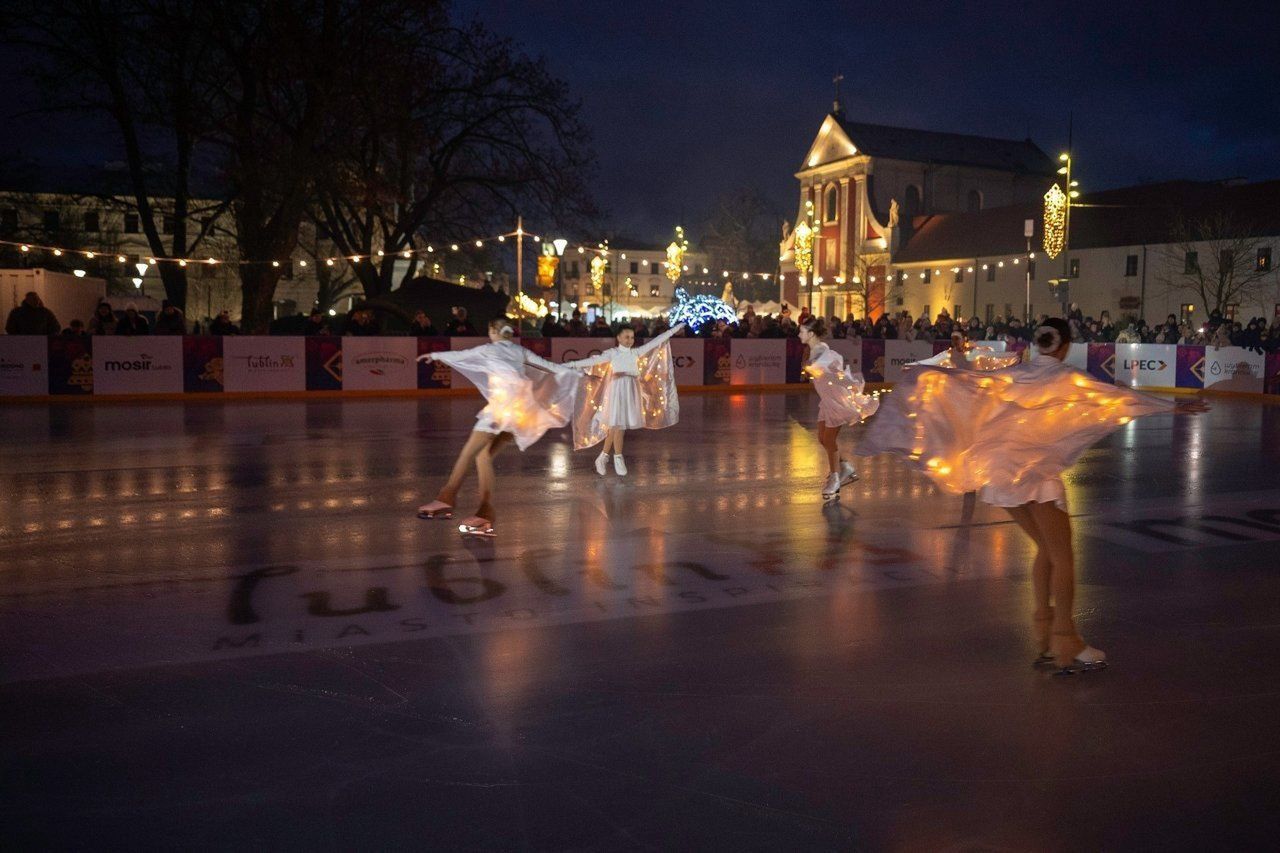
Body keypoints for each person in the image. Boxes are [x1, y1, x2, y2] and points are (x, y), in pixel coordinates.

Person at [858, 317, 1208, 673]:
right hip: (1034, 474)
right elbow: (1115, 398)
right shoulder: (1065, 377)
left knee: (1045, 549)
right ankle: (1066, 641)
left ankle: (1043, 639)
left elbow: (973, 384)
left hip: (1000, 474)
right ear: (1064, 345)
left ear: (1039, 343)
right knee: (1063, 557)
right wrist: (1172, 406)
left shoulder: (1017, 373)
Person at [414, 317, 581, 536]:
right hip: (521, 413)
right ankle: (485, 514)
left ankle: (447, 497)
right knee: (483, 456)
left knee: (468, 452)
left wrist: (433, 354)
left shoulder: (488, 349)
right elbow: (551, 368)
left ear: (493, 331)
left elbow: (460, 356)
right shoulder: (521, 352)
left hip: (500, 411)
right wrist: (578, 373)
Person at [563, 322, 687, 477]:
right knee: (617, 426)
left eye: (632, 337)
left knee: (616, 426)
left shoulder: (636, 353)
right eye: (626, 337)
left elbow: (657, 341)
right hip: (616, 391)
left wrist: (674, 329)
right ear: (618, 338)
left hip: (630, 391)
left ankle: (603, 457)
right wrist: (572, 364)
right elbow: (591, 362)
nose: (630, 340)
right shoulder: (613, 353)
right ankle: (617, 457)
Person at [798, 318, 878, 501]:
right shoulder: (813, 350)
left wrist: (810, 367)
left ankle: (834, 479)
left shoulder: (824, 351)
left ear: (811, 334)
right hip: (827, 400)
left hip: (836, 401)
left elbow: (829, 366)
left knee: (828, 439)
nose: (799, 334)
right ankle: (846, 467)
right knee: (822, 438)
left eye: (802, 331)